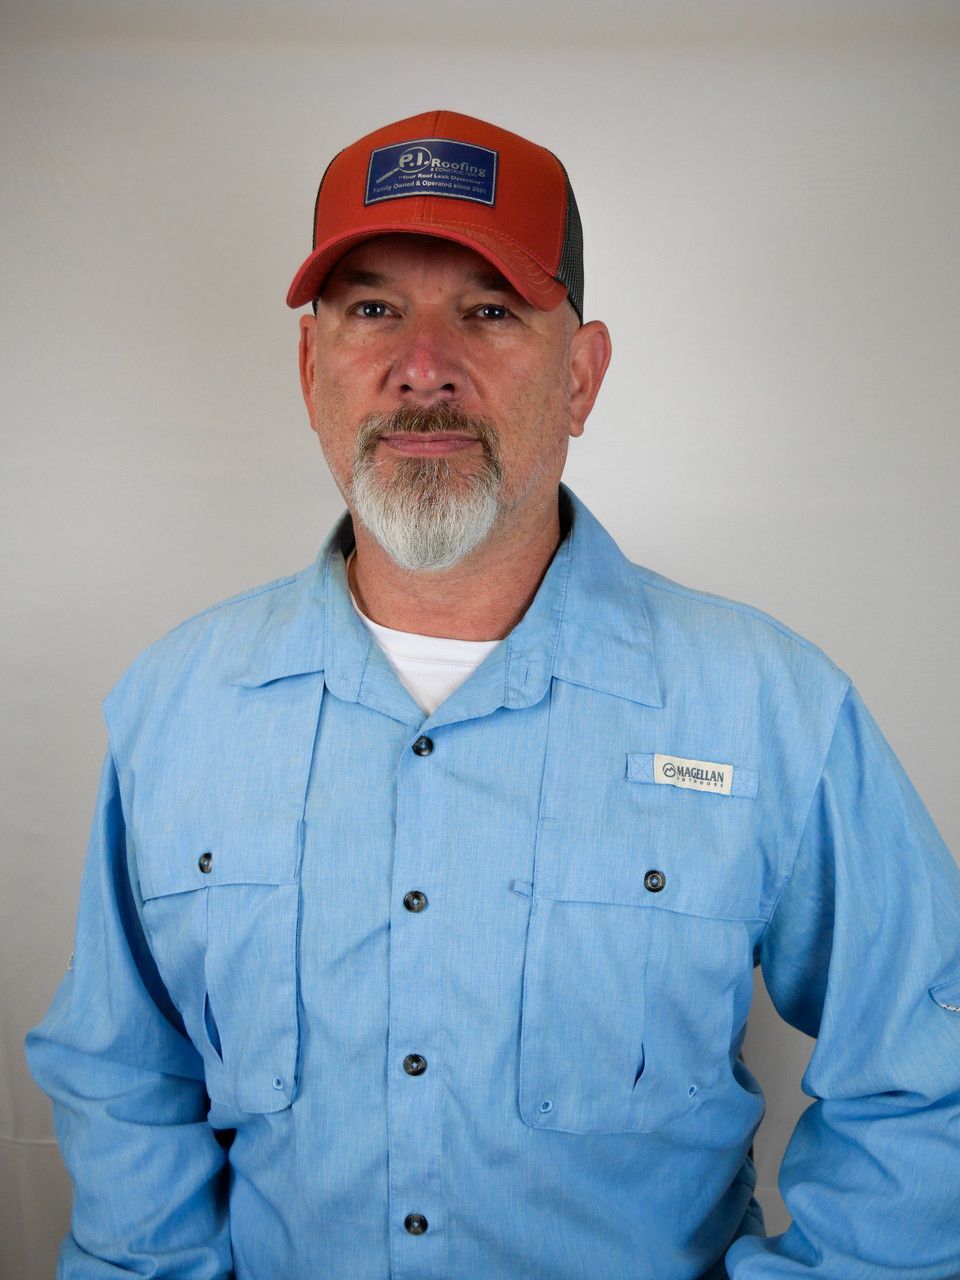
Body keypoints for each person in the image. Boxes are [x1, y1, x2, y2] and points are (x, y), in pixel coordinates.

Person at [25, 109, 960, 1280]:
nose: (424, 364)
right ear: (312, 370)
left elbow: (931, 1068)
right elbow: (124, 1077)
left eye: (489, 310)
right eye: (371, 308)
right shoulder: (174, 708)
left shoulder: (772, 706)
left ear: (581, 374)